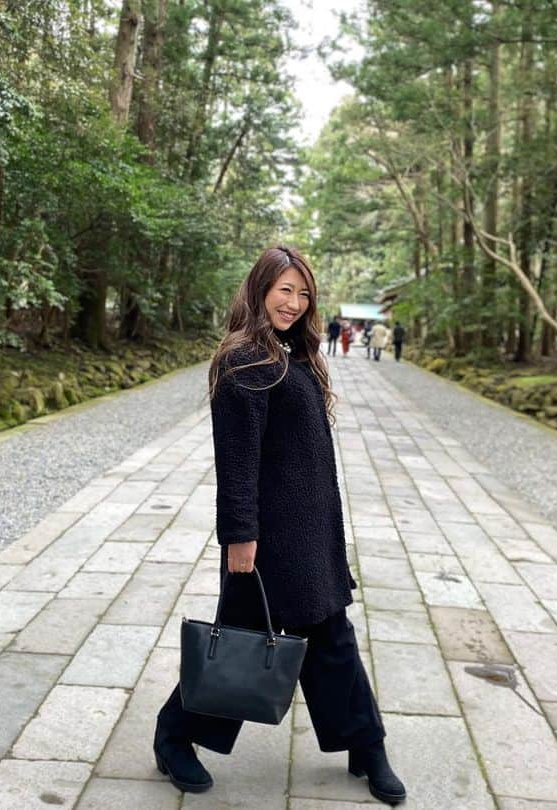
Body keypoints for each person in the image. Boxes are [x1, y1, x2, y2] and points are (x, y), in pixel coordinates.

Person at [153, 246, 406, 806]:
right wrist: (239, 538)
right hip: (265, 539)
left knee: (329, 636)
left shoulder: (292, 353)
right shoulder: (245, 360)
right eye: (283, 290)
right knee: (239, 645)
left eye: (303, 292)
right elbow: (236, 459)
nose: (294, 302)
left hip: (311, 532)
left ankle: (366, 745)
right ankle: (173, 736)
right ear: (260, 289)